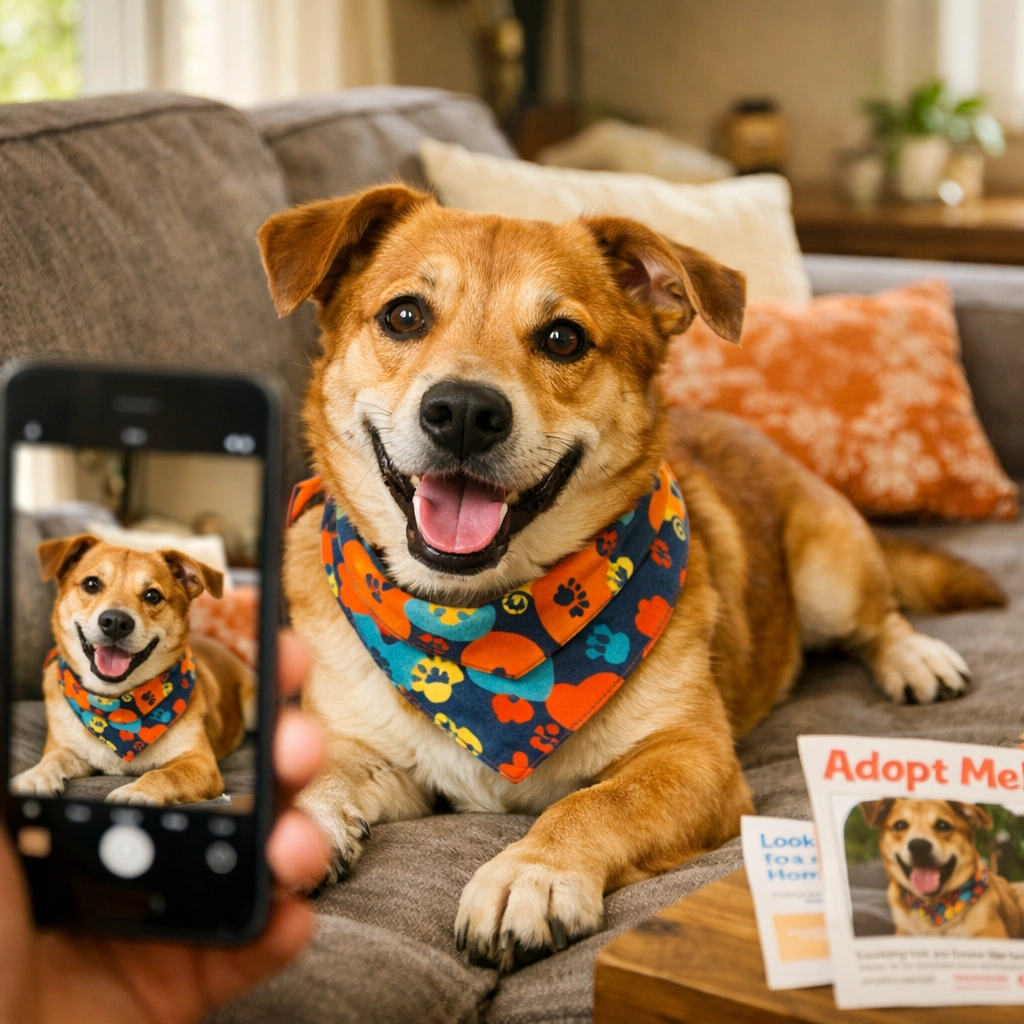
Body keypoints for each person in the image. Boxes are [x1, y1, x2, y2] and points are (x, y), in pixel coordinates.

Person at [0, 632, 329, 1024]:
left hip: (227, 688)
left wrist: (157, 784)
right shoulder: (60, 689)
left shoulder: (193, 683)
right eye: (92, 585)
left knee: (286, 732)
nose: (116, 612)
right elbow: (64, 752)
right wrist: (50, 767)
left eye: (151, 596)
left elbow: (203, 772)